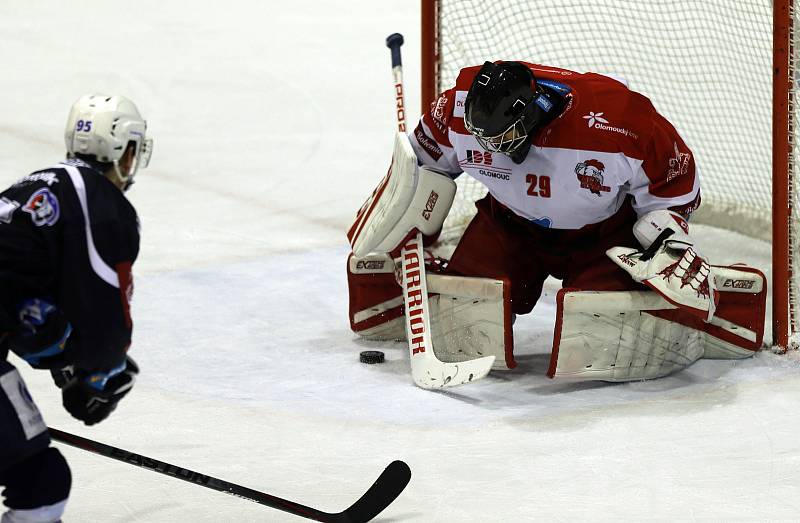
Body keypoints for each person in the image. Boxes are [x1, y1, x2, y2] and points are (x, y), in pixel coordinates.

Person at [348, 60, 765, 380]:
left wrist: (665, 241)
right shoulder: (454, 108)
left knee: (603, 324)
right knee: (466, 307)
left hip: (603, 236)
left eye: (500, 139)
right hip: (508, 225)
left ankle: (686, 316)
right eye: (481, 139)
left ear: (529, 115)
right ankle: (428, 288)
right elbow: (423, 170)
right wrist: (408, 220)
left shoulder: (619, 121)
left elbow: (674, 188)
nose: (488, 148)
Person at [0, 93, 152, 522]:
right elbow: (104, 323)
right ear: (124, 152)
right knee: (41, 483)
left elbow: (28, 313)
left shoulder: (37, 186)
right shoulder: (103, 208)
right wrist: (98, 376)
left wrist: (64, 361)